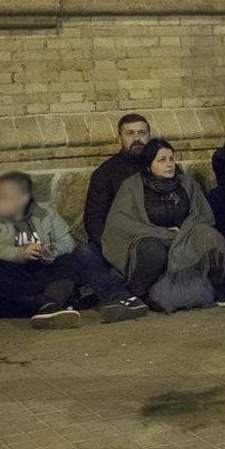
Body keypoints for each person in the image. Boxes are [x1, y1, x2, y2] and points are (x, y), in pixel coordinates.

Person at [102, 139, 225, 311]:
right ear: (149, 164)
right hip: (152, 239)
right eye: (162, 160)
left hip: (185, 237)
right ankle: (138, 292)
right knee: (152, 250)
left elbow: (202, 215)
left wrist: (184, 231)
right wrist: (162, 232)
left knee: (209, 234)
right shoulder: (132, 186)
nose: (169, 164)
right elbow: (121, 222)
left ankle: (221, 286)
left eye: (171, 159)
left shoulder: (187, 184)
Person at [0, 172, 83, 329]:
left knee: (72, 262)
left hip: (42, 268)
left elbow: (67, 241)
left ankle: (48, 303)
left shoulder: (45, 211)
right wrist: (19, 254)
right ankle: (46, 304)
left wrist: (51, 251)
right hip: (13, 272)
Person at [79, 113, 153, 320]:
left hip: (152, 238)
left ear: (149, 135)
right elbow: (94, 219)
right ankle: (120, 298)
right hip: (116, 241)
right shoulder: (105, 173)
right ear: (119, 137)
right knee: (84, 253)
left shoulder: (161, 166)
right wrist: (112, 248)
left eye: (142, 133)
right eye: (130, 133)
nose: (137, 138)